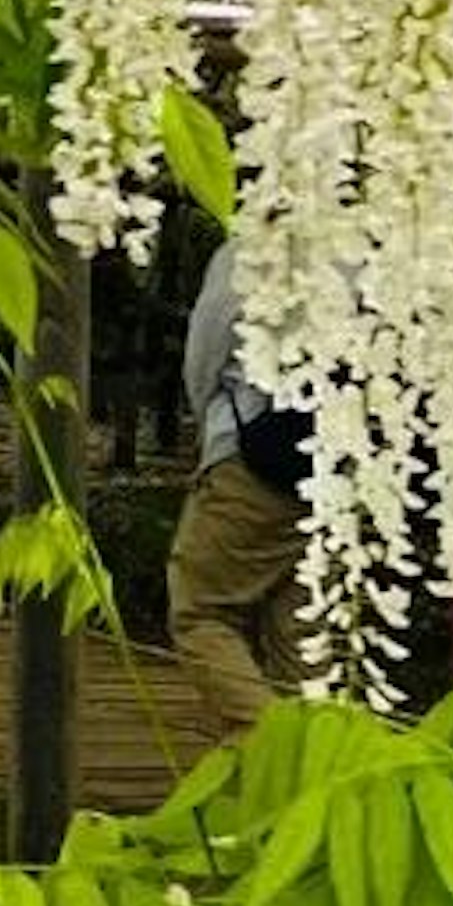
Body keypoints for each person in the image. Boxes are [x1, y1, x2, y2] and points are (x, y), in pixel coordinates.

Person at [168, 233, 306, 734]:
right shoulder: (371, 248)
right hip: (340, 470)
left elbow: (204, 358)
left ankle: (271, 749)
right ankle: (315, 775)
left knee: (202, 615)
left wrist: (211, 431)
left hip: (253, 462)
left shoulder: (252, 250)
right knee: (302, 639)